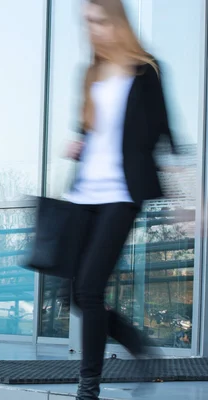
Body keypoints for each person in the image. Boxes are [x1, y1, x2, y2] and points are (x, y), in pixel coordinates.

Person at [62, 1, 178, 399]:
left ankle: (88, 386)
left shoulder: (145, 70)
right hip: (82, 195)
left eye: (97, 20)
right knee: (73, 295)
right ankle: (139, 348)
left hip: (120, 195)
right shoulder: (90, 73)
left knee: (90, 289)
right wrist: (79, 142)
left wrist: (188, 197)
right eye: (86, 23)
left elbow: (165, 135)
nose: (92, 29)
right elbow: (90, 130)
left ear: (116, 22)